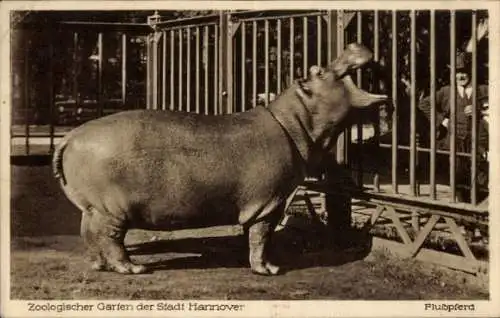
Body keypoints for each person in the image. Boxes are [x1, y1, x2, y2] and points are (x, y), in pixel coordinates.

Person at [418, 51, 489, 203]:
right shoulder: (446, 91)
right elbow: (424, 104)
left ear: (471, 72)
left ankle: (478, 213)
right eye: (457, 72)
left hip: (478, 142)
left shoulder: (484, 89)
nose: (460, 76)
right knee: (458, 177)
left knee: (480, 178)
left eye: (464, 72)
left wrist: (480, 110)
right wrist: (442, 120)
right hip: (454, 140)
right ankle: (464, 216)